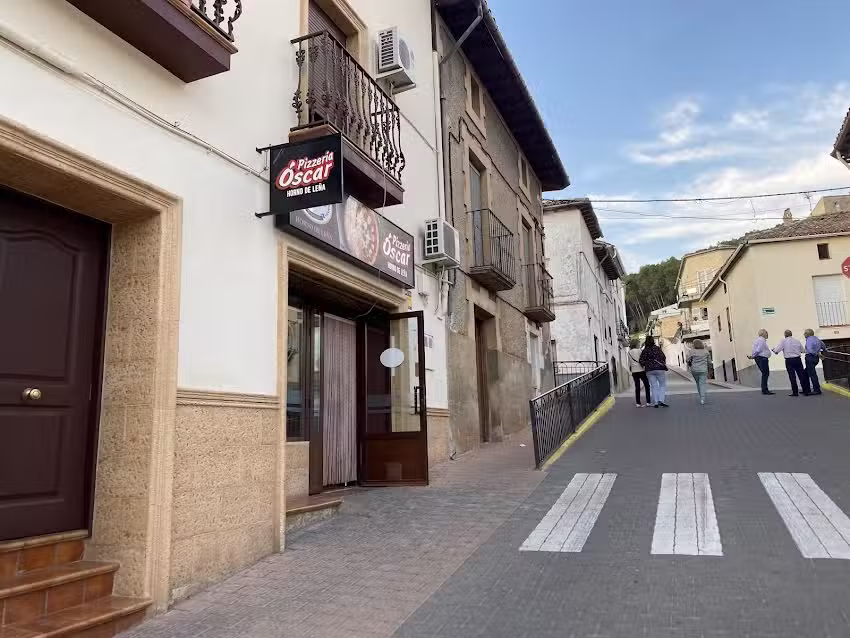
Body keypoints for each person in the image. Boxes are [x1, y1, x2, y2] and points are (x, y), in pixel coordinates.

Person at [773, 329, 811, 397]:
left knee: (792, 376)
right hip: (797, 359)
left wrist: (773, 349)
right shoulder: (797, 341)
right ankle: (805, 391)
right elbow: (803, 350)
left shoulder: (783, 341)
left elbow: (776, 351)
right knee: (801, 375)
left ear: (785, 335)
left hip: (789, 360)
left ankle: (795, 392)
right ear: (791, 334)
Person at [639, 335, 668, 407]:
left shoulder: (645, 351)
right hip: (659, 368)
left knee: (654, 386)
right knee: (662, 385)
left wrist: (646, 364)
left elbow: (641, 360)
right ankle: (661, 400)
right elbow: (663, 357)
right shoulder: (657, 348)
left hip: (649, 370)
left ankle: (656, 402)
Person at [747, 329, 774, 395]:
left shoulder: (757, 340)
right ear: (763, 334)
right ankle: (765, 390)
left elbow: (755, 350)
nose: (767, 334)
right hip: (762, 358)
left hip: (759, 358)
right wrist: (753, 356)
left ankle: (764, 389)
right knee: (765, 373)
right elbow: (758, 350)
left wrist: (753, 356)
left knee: (764, 373)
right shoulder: (762, 340)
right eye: (766, 333)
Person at [628, 339, 651, 407]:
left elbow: (630, 362)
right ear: (636, 344)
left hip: (634, 371)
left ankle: (638, 403)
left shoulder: (629, 352)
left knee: (637, 387)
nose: (639, 345)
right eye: (638, 343)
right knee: (647, 386)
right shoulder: (639, 350)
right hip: (641, 370)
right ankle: (648, 402)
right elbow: (643, 359)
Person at [686, 339, 710, 405]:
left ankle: (701, 396)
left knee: (698, 383)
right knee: (702, 384)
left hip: (694, 370)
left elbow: (687, 360)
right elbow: (709, 361)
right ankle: (702, 398)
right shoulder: (706, 351)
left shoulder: (692, 351)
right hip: (703, 370)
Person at [803, 329, 825, 395]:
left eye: (805, 333)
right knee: (805, 373)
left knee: (812, 374)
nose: (804, 334)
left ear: (808, 334)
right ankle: (807, 389)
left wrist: (816, 353)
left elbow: (810, 350)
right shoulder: (817, 339)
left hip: (810, 357)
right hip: (815, 359)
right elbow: (823, 346)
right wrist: (819, 352)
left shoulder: (809, 340)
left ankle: (817, 390)